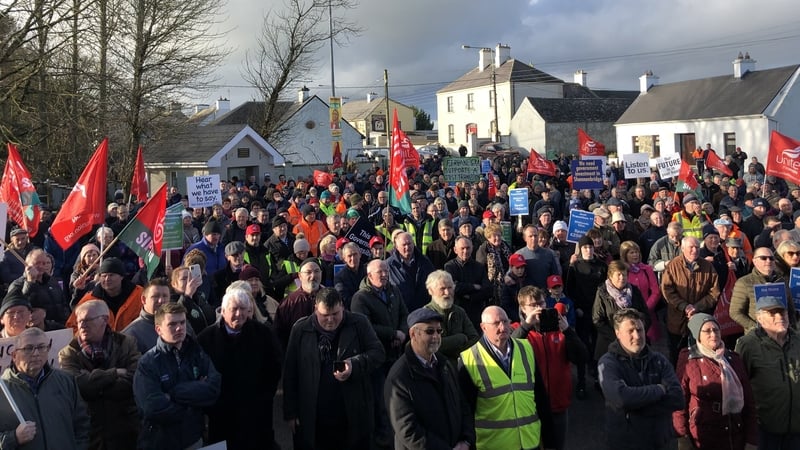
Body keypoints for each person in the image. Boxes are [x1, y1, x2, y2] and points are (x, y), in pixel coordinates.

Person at [282, 288, 385, 450]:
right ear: (316, 309)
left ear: (342, 307)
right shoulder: (301, 329)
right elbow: (290, 372)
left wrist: (354, 365)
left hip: (351, 412)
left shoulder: (359, 323)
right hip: (313, 415)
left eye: (335, 314)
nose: (330, 320)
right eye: (325, 315)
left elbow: (378, 354)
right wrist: (290, 412)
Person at [197, 288, 283, 450]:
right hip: (221, 416)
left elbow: (275, 366)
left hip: (256, 413)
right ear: (223, 311)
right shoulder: (206, 338)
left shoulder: (263, 333)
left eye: (243, 309)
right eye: (234, 309)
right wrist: (211, 405)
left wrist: (264, 396)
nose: (239, 314)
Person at [458, 305, 553, 450]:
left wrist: (549, 440)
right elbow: (465, 412)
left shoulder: (526, 348)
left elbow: (540, 397)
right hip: (494, 445)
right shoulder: (468, 360)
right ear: (483, 327)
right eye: (496, 323)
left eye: (505, 321)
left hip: (530, 441)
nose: (503, 327)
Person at [132, 302, 221, 450]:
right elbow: (152, 408)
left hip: (193, 440)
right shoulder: (148, 363)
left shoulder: (197, 353)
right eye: (172, 324)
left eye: (182, 322)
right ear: (158, 329)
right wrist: (193, 403)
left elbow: (213, 388)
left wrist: (173, 393)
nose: (179, 328)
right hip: (160, 443)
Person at [384, 308, 474, 450]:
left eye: (439, 331)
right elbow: (408, 430)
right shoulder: (399, 377)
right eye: (430, 331)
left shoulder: (445, 365)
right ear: (413, 334)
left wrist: (466, 440)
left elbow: (462, 405)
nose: (436, 336)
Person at [58, 300, 141, 450]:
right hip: (90, 433)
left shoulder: (126, 343)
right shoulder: (68, 352)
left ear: (104, 320)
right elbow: (78, 385)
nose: (82, 325)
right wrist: (114, 373)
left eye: (87, 320)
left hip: (126, 428)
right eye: (79, 321)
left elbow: (134, 380)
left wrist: (93, 383)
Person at [511, 286, 587, 449]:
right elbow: (509, 352)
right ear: (523, 309)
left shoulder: (559, 330)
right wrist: (526, 326)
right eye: (533, 305)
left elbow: (581, 357)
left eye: (542, 303)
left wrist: (568, 330)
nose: (539, 308)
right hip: (530, 407)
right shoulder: (517, 329)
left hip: (558, 404)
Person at [598, 308, 684, 450]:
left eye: (640, 330)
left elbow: (677, 399)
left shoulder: (659, 360)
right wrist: (659, 389)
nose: (637, 336)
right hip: (625, 443)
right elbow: (620, 398)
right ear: (617, 333)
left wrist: (635, 408)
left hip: (658, 442)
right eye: (630, 331)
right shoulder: (608, 363)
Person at [673, 313, 757, 450]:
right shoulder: (688, 359)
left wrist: (751, 440)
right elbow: (679, 403)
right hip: (704, 435)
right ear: (697, 335)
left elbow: (749, 402)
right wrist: (683, 440)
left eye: (716, 330)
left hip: (734, 433)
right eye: (707, 331)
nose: (713, 334)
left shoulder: (733, 359)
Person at [351, 258, 409, 448]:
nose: (384, 275)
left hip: (396, 353)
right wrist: (392, 333)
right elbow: (365, 325)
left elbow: (404, 314)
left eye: (386, 271)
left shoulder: (393, 290)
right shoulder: (360, 298)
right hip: (376, 358)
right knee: (380, 400)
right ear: (369, 276)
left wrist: (401, 333)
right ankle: (382, 441)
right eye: (380, 272)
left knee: (399, 398)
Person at [0, 327, 90, 449]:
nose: (36, 353)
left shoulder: (66, 382)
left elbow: (82, 426)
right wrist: (14, 438)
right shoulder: (2, 390)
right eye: (28, 348)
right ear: (14, 355)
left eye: (41, 347)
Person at [735, 295, 800, 449]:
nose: (779, 317)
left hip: (796, 430)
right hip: (765, 430)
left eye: (782, 312)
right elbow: (740, 386)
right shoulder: (748, 345)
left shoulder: (797, 341)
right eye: (772, 313)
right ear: (760, 318)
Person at [661, 237, 720, 365]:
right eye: (691, 247)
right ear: (682, 249)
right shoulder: (673, 265)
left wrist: (696, 307)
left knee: (700, 354)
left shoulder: (707, 266)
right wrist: (684, 306)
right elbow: (667, 291)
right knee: (676, 353)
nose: (695, 250)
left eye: (697, 247)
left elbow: (714, 292)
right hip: (677, 319)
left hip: (700, 320)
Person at [593, 260, 651, 364]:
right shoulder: (603, 292)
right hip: (610, 344)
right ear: (610, 276)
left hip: (634, 343)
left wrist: (638, 332)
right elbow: (598, 319)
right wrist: (618, 337)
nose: (622, 278)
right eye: (618, 274)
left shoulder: (634, 291)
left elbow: (645, 315)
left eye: (624, 274)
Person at [67, 257, 144, 332]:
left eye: (111, 275)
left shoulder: (138, 294)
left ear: (121, 277)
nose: (107, 279)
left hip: (132, 342)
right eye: (104, 276)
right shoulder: (89, 300)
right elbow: (72, 326)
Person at [731, 247, 796, 333]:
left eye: (771, 258)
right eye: (763, 258)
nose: (768, 261)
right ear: (754, 261)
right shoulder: (744, 282)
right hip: (758, 337)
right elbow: (735, 312)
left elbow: (790, 309)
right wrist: (756, 327)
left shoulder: (782, 281)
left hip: (783, 334)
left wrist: (792, 329)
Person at [421, 270, 479, 365]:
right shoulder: (426, 314)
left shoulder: (459, 311)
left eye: (450, 288)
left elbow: (475, 339)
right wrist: (460, 338)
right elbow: (432, 346)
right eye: (442, 289)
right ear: (431, 291)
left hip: (462, 365)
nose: (447, 293)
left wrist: (459, 354)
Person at [444, 236, 493, 329]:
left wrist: (470, 297)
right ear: (455, 249)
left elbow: (488, 290)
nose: (465, 251)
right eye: (462, 248)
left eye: (468, 248)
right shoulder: (450, 266)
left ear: (472, 248)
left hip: (476, 313)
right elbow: (454, 287)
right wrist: (474, 287)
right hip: (457, 312)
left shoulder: (479, 267)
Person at [274, 258, 323, 348]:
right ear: (300, 276)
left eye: (316, 271)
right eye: (308, 272)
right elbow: (279, 336)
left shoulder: (331, 298)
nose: (313, 276)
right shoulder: (289, 303)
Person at [121, 278, 174, 354]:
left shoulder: (180, 324)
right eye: (155, 296)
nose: (161, 301)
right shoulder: (131, 335)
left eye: (165, 296)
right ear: (143, 299)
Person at [386, 232, 434, 311]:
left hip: (424, 312)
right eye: (404, 245)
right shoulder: (389, 266)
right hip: (401, 314)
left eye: (409, 243)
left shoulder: (425, 261)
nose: (407, 247)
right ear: (396, 247)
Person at [515, 224, 560, 290]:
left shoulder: (549, 254)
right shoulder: (518, 255)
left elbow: (555, 275)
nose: (533, 238)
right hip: (526, 295)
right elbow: (511, 276)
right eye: (530, 236)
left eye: (535, 235)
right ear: (525, 238)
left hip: (544, 295)